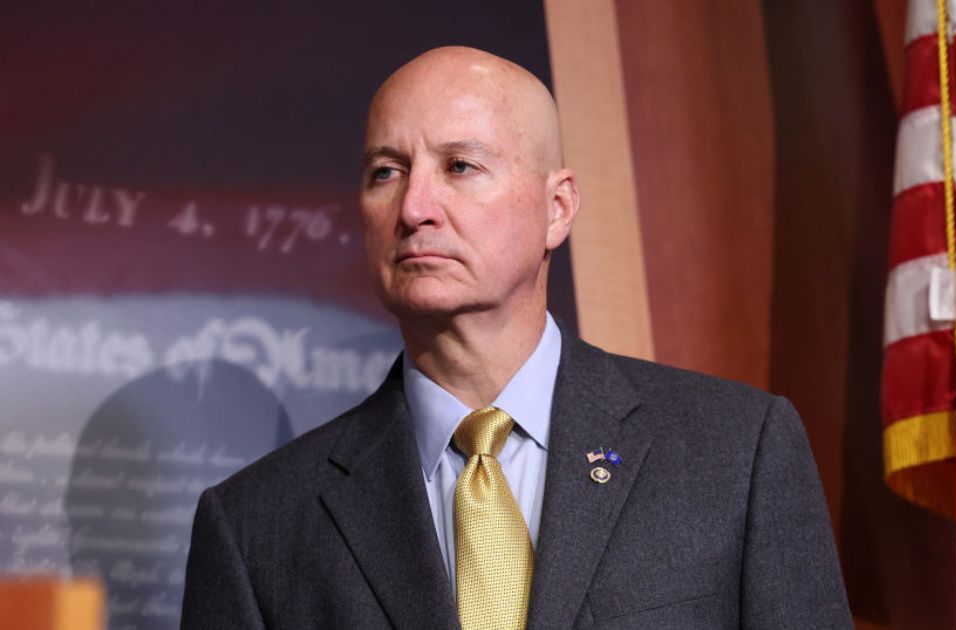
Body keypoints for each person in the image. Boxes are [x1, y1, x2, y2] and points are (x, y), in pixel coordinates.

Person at [181, 46, 851, 630]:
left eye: (460, 166)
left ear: (557, 209)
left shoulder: (737, 454)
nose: (414, 208)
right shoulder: (254, 528)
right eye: (386, 171)